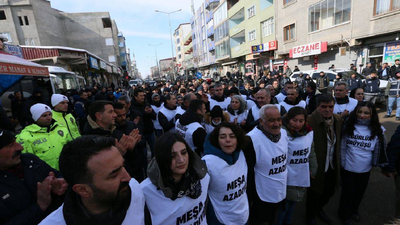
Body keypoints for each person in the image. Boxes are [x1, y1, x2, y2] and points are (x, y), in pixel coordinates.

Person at [39, 135, 145, 225]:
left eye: (123, 166)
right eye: (114, 175)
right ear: (82, 190)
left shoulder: (134, 189)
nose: (128, 178)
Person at [0, 128, 67, 225]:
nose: (20, 147)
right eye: (10, 145)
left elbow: (57, 175)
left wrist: (60, 184)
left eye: (15, 141)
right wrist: (40, 206)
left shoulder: (29, 159)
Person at [140, 133, 209, 225]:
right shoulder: (145, 192)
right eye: (172, 156)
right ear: (162, 159)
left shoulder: (202, 177)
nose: (181, 160)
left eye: (184, 152)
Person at [338, 102, 387, 225]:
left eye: (366, 113)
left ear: (372, 115)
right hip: (348, 166)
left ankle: (354, 211)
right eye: (359, 112)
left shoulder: (378, 129)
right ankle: (344, 214)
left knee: (359, 192)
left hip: (365, 168)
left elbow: (380, 148)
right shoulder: (348, 125)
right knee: (347, 192)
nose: (362, 115)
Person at [245, 105, 289, 224]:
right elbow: (248, 173)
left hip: (280, 189)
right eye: (271, 120)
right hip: (261, 194)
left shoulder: (283, 133)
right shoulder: (251, 140)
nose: (277, 124)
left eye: (279, 119)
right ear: (261, 121)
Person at [202, 122, 249, 225]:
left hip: (243, 214)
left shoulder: (241, 154)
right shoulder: (208, 162)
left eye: (232, 136)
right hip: (221, 218)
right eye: (223, 137)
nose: (228, 140)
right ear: (217, 141)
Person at [277, 107, 317, 225]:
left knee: (291, 206)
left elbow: (311, 152)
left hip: (300, 175)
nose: (298, 124)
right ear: (288, 119)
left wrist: (313, 170)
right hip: (285, 177)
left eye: (301, 121)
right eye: (294, 120)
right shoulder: (281, 133)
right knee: (282, 209)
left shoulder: (308, 133)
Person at [306, 95, 342, 225]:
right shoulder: (309, 120)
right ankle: (310, 216)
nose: (327, 110)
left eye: (330, 106)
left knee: (329, 192)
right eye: (324, 107)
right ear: (317, 107)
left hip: (332, 165)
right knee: (314, 193)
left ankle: (318, 210)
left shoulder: (337, 119)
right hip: (316, 165)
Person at [17, 103, 72, 170]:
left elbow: (71, 148)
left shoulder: (61, 129)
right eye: (44, 116)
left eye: (50, 114)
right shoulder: (25, 136)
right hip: (45, 174)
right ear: (36, 117)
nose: (48, 118)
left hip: (66, 169)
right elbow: (26, 161)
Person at [113, 102, 145, 182]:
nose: (123, 118)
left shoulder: (132, 125)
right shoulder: (112, 131)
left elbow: (143, 141)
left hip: (138, 166)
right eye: (119, 116)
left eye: (124, 114)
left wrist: (135, 143)